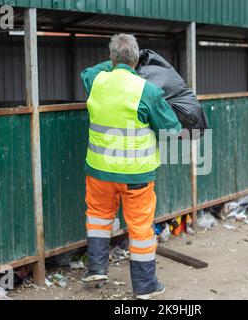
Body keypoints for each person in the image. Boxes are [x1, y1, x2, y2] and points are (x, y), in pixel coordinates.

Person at [80, 33, 182, 300]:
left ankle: (97, 269)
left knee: (98, 219)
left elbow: (87, 72)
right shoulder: (147, 90)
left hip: (99, 171)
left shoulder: (97, 80)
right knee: (140, 228)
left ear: (112, 58)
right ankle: (145, 286)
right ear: (136, 60)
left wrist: (116, 61)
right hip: (136, 175)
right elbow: (171, 129)